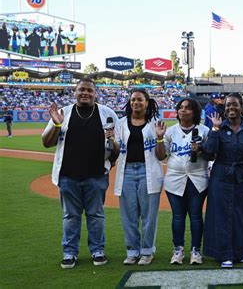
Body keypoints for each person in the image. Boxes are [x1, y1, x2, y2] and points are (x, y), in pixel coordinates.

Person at [41, 78, 118, 269]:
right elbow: (46, 142)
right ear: (74, 92)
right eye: (81, 90)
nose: (85, 93)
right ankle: (69, 253)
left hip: (97, 175)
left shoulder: (107, 113)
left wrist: (111, 161)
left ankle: (97, 250)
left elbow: (118, 146)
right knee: (70, 216)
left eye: (89, 91)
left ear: (95, 93)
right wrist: (57, 125)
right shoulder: (63, 113)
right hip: (68, 176)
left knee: (96, 215)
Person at [203, 92, 243, 268]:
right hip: (220, 176)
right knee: (221, 216)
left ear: (241, 108)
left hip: (242, 176)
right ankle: (224, 254)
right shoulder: (218, 129)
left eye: (235, 104)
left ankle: (241, 251)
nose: (231, 108)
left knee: (241, 215)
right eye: (228, 105)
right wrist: (214, 129)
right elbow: (209, 152)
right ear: (225, 109)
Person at [156, 98, 213, 265]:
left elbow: (212, 155)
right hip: (175, 178)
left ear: (195, 112)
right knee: (178, 216)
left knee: (196, 216)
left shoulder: (204, 130)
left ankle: (196, 250)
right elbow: (161, 156)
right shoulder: (170, 131)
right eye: (181, 107)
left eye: (188, 108)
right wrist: (159, 138)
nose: (183, 110)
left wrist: (201, 149)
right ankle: (178, 249)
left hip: (198, 178)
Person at [110, 89, 163, 266]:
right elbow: (117, 151)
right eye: (133, 100)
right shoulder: (121, 123)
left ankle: (147, 251)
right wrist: (111, 141)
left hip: (149, 171)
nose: (136, 103)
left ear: (147, 103)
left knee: (149, 216)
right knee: (129, 215)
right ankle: (132, 251)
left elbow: (161, 154)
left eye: (140, 100)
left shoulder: (155, 123)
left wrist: (160, 138)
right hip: (126, 172)